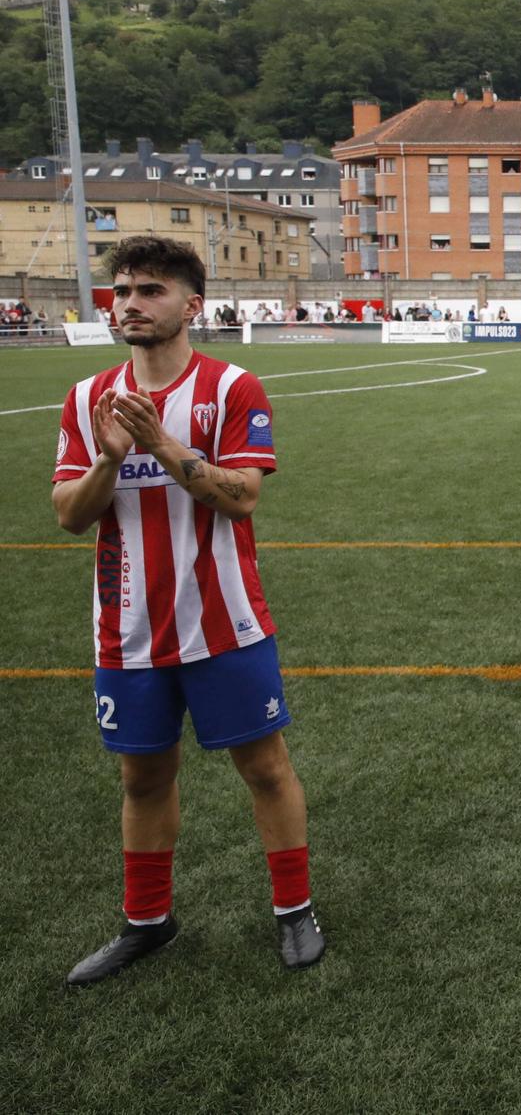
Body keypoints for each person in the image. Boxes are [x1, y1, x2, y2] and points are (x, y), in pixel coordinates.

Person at [51, 235, 324, 985]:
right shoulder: (84, 399)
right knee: (141, 778)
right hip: (126, 628)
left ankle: (294, 908)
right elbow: (71, 515)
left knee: (265, 767)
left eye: (151, 290)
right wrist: (109, 455)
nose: (132, 303)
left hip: (225, 620)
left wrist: (159, 442)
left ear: (190, 305)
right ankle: (148, 922)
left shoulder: (233, 387)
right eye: (123, 291)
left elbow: (241, 497)